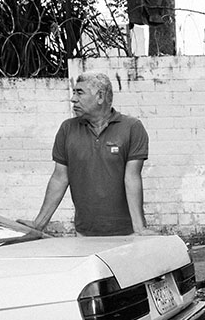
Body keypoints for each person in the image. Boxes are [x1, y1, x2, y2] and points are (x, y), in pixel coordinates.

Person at [28, 72, 155, 236]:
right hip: (84, 234)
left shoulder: (132, 128)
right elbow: (60, 178)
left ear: (100, 96)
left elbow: (132, 178)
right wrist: (38, 225)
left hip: (127, 234)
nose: (73, 99)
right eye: (74, 93)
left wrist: (139, 229)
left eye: (79, 93)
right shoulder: (67, 129)